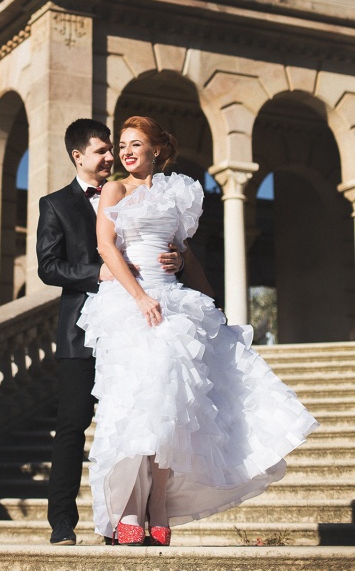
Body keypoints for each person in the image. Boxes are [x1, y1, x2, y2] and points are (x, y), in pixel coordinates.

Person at [78, 115, 318, 546]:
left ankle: (158, 506)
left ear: (155, 149)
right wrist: (139, 297)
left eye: (135, 144)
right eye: (122, 145)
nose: (126, 152)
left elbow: (184, 251)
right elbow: (105, 246)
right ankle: (128, 507)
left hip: (173, 303)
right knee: (135, 404)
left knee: (170, 407)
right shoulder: (114, 190)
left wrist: (187, 271)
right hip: (130, 305)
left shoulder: (179, 192)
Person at [36, 118, 185, 546]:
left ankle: (122, 519)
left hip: (135, 324)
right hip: (82, 331)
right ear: (78, 156)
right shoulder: (55, 204)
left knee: (135, 420)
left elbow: (163, 242)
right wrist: (97, 272)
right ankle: (62, 522)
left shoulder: (133, 190)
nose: (110, 157)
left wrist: (174, 257)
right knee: (72, 425)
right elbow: (48, 267)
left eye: (111, 149)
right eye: (101, 151)